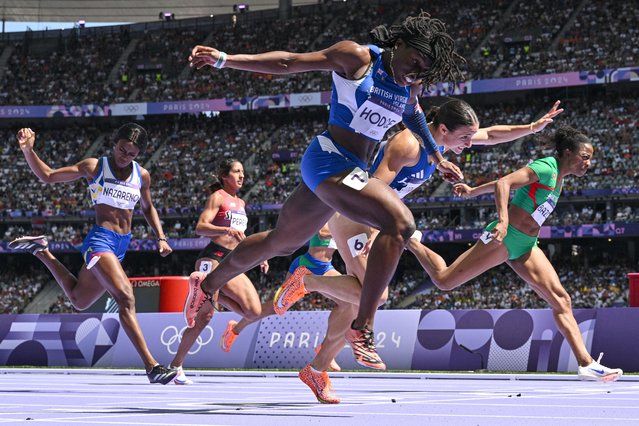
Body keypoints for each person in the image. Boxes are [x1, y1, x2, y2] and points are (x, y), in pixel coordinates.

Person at [184, 13, 466, 401]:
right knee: (399, 224)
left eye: (423, 72)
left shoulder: (409, 82)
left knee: (282, 242)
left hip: (352, 170)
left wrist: (437, 155)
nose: (414, 74)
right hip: (329, 160)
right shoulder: (358, 58)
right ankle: (362, 327)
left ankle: (208, 284)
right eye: (414, 63)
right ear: (399, 45)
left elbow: (413, 111)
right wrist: (225, 59)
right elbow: (289, 62)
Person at [271, 99, 564, 401]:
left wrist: (531, 128)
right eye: (464, 137)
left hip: (376, 217)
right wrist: (377, 227)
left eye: (468, 137)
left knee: (353, 303)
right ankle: (305, 281)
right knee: (375, 294)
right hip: (354, 213)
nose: (468, 143)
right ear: (444, 129)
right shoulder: (408, 143)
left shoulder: (444, 143)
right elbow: (373, 186)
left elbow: (490, 135)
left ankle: (316, 371)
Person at [405, 125, 623, 382]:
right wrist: (503, 221)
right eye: (585, 157)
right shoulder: (547, 168)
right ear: (568, 153)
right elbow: (505, 183)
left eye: (590, 158)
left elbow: (504, 184)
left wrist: (472, 191)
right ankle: (409, 240)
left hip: (527, 244)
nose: (589, 163)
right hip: (504, 237)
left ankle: (586, 364)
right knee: (444, 280)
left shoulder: (559, 179)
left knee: (561, 299)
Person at [9, 124, 177, 384]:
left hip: (121, 246)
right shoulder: (95, 167)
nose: (124, 156)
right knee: (125, 298)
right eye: (121, 150)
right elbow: (49, 176)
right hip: (100, 241)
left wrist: (161, 237)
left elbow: (148, 207)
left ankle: (42, 252)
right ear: (114, 144)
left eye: (131, 154)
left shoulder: (142, 176)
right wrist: (28, 151)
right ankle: (152, 367)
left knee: (79, 299)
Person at [172, 159, 268, 385]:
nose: (242, 175)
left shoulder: (241, 202)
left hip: (234, 261)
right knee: (204, 316)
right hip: (213, 257)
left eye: (243, 172)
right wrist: (226, 228)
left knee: (254, 311)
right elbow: (200, 227)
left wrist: (260, 257)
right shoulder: (218, 197)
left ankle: (209, 292)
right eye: (237, 171)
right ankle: (175, 366)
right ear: (225, 176)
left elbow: (241, 239)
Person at [222, 223, 341, 366]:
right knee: (276, 307)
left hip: (325, 268)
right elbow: (322, 231)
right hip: (306, 266)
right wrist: (344, 230)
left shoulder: (344, 213)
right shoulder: (330, 210)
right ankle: (235, 329)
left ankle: (325, 349)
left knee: (349, 303)